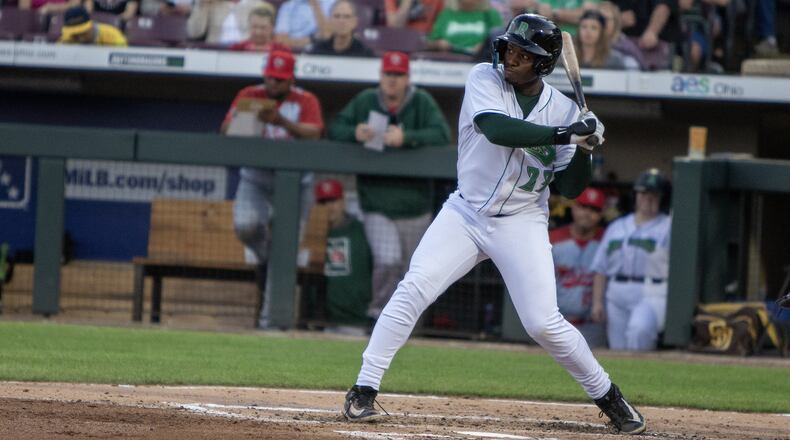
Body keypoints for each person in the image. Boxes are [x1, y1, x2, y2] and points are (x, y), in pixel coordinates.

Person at [341, 14, 645, 436]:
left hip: (522, 220)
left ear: (543, 64)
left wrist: (586, 147)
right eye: (509, 49)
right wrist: (566, 133)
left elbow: (573, 189)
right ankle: (363, 389)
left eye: (523, 54)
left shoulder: (564, 109)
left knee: (542, 322)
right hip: (465, 213)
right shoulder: (484, 77)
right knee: (414, 286)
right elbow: (495, 128)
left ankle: (609, 397)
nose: (510, 58)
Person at [328, 51, 451, 323]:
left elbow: (441, 134)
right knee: (388, 260)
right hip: (376, 202)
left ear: (407, 78)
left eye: (398, 75)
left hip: (415, 206)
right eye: (388, 74)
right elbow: (336, 127)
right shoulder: (365, 100)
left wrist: (408, 137)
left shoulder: (421, 101)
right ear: (380, 76)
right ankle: (378, 315)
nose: (392, 80)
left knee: (414, 272)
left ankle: (408, 323)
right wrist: (354, 133)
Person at [221, 50, 324, 328]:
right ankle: (269, 258)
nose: (273, 84)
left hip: (296, 184)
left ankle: (270, 323)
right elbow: (227, 131)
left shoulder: (305, 99)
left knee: (287, 252)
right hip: (256, 178)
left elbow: (315, 132)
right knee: (246, 225)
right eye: (270, 77)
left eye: (280, 79)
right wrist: (253, 116)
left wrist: (282, 122)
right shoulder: (250, 94)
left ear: (291, 78)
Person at [590, 168, 671, 352]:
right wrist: (597, 303)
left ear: (662, 198)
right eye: (643, 193)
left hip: (653, 290)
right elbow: (600, 268)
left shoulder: (668, 226)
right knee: (617, 348)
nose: (648, 198)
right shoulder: (617, 226)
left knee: (639, 331)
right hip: (616, 291)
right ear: (636, 195)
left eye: (654, 194)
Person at [549, 188, 607, 348]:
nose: (587, 213)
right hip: (559, 322)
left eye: (594, 210)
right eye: (583, 207)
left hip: (594, 324)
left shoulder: (607, 240)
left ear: (601, 214)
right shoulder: (552, 238)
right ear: (574, 207)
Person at [314, 179, 374, 331]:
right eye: (323, 202)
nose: (329, 207)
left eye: (333, 200)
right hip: (324, 322)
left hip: (359, 321)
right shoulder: (312, 235)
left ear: (343, 201)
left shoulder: (361, 230)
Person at [613, 0, 681, 70]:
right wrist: (615, 19)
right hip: (625, 48)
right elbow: (627, 18)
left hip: (660, 46)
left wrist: (652, 31)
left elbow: (664, 7)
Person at [427, 0, 503, 55]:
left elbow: (499, 42)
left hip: (479, 63)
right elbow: (431, 41)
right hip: (449, 65)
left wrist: (485, 46)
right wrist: (440, 44)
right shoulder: (447, 13)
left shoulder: (490, 14)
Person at [306, 0, 375, 57]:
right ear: (330, 20)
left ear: (355, 22)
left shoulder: (365, 54)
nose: (341, 21)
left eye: (347, 17)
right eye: (337, 16)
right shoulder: (317, 51)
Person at [187, 0, 268, 45]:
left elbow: (265, 37)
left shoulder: (259, 5)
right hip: (214, 53)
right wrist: (201, 4)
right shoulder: (210, 3)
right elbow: (194, 33)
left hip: (245, 54)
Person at [597, 1, 643, 70]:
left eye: (606, 19)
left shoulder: (626, 48)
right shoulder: (583, 46)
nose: (603, 23)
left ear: (615, 23)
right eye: (599, 19)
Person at [58, 5, 128, 46]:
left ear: (90, 26)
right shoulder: (67, 37)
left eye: (82, 32)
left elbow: (123, 55)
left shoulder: (111, 34)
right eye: (75, 34)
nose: (79, 38)